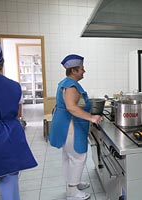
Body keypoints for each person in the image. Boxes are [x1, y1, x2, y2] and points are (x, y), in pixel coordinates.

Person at [49, 54, 103, 200]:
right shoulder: (71, 85)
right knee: (78, 157)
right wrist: (92, 118)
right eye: (81, 69)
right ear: (74, 71)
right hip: (70, 126)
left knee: (68, 156)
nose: (84, 71)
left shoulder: (65, 82)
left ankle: (73, 183)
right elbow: (71, 107)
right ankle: (72, 192)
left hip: (64, 124)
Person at [0, 42, 38, 200]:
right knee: (9, 185)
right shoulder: (14, 86)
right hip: (9, 137)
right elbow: (18, 113)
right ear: (2, 63)